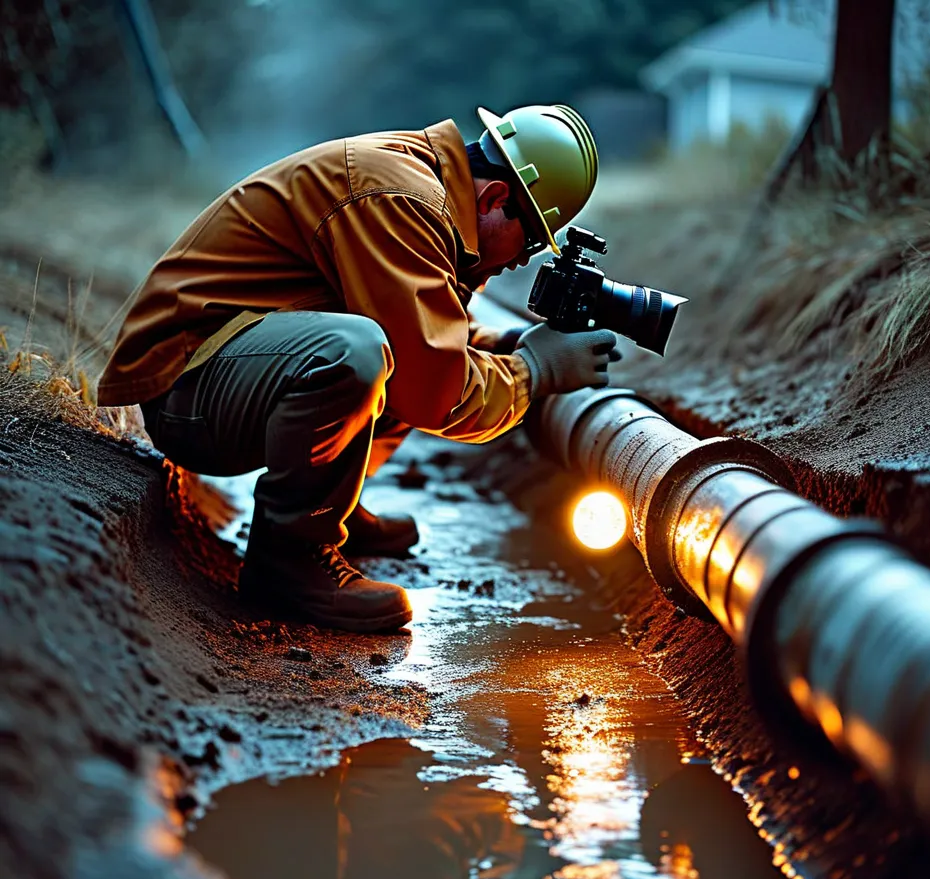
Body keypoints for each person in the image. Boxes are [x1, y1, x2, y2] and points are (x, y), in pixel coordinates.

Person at [97, 105, 617, 633]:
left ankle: (330, 505)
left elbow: (422, 318)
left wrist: (507, 342)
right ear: (496, 198)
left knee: (394, 345)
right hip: (189, 391)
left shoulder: (426, 188)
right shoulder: (401, 199)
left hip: (230, 366)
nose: (520, 262)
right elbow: (438, 393)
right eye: (530, 242)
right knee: (361, 350)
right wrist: (533, 370)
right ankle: (290, 557)